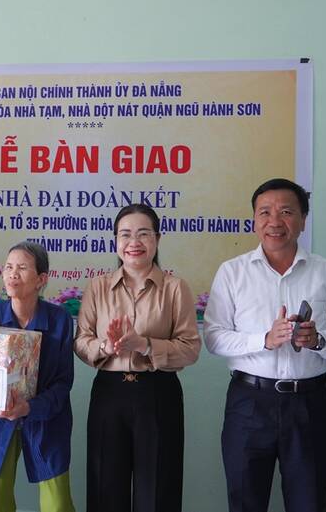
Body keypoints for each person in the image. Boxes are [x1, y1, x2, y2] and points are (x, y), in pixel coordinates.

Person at [204, 178, 326, 512]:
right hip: (249, 403)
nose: (275, 221)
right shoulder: (232, 272)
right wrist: (264, 339)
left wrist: (319, 340)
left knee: (309, 501)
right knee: (245, 501)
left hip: (310, 403)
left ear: (303, 219)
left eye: (286, 211)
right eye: (265, 212)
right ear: (254, 221)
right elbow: (214, 337)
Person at [74, 203, 201, 512]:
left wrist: (144, 344)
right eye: (125, 234)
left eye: (143, 233)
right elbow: (81, 341)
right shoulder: (98, 287)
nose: (134, 242)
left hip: (158, 394)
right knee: (106, 487)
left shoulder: (175, 288)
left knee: (158, 490)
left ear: (157, 239)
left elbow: (190, 348)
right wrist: (106, 348)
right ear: (115, 241)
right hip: (109, 394)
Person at [0, 241, 75, 512]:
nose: (12, 274)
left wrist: (29, 407)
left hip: (47, 421)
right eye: (8, 267)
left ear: (41, 279)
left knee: (58, 505)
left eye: (21, 268)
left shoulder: (60, 321)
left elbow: (63, 382)